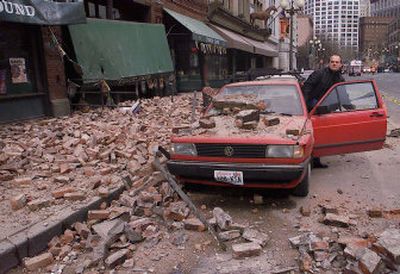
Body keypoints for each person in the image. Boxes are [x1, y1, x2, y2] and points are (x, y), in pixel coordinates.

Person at [302, 54, 345, 168]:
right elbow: (307, 87)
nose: (334, 64)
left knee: (321, 134)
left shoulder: (340, 78)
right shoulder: (319, 73)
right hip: (312, 107)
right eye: (332, 62)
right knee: (311, 134)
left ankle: (316, 159)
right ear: (328, 63)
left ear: (340, 64)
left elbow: (343, 95)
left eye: (337, 62)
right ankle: (310, 160)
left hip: (327, 109)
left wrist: (351, 108)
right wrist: (305, 105)